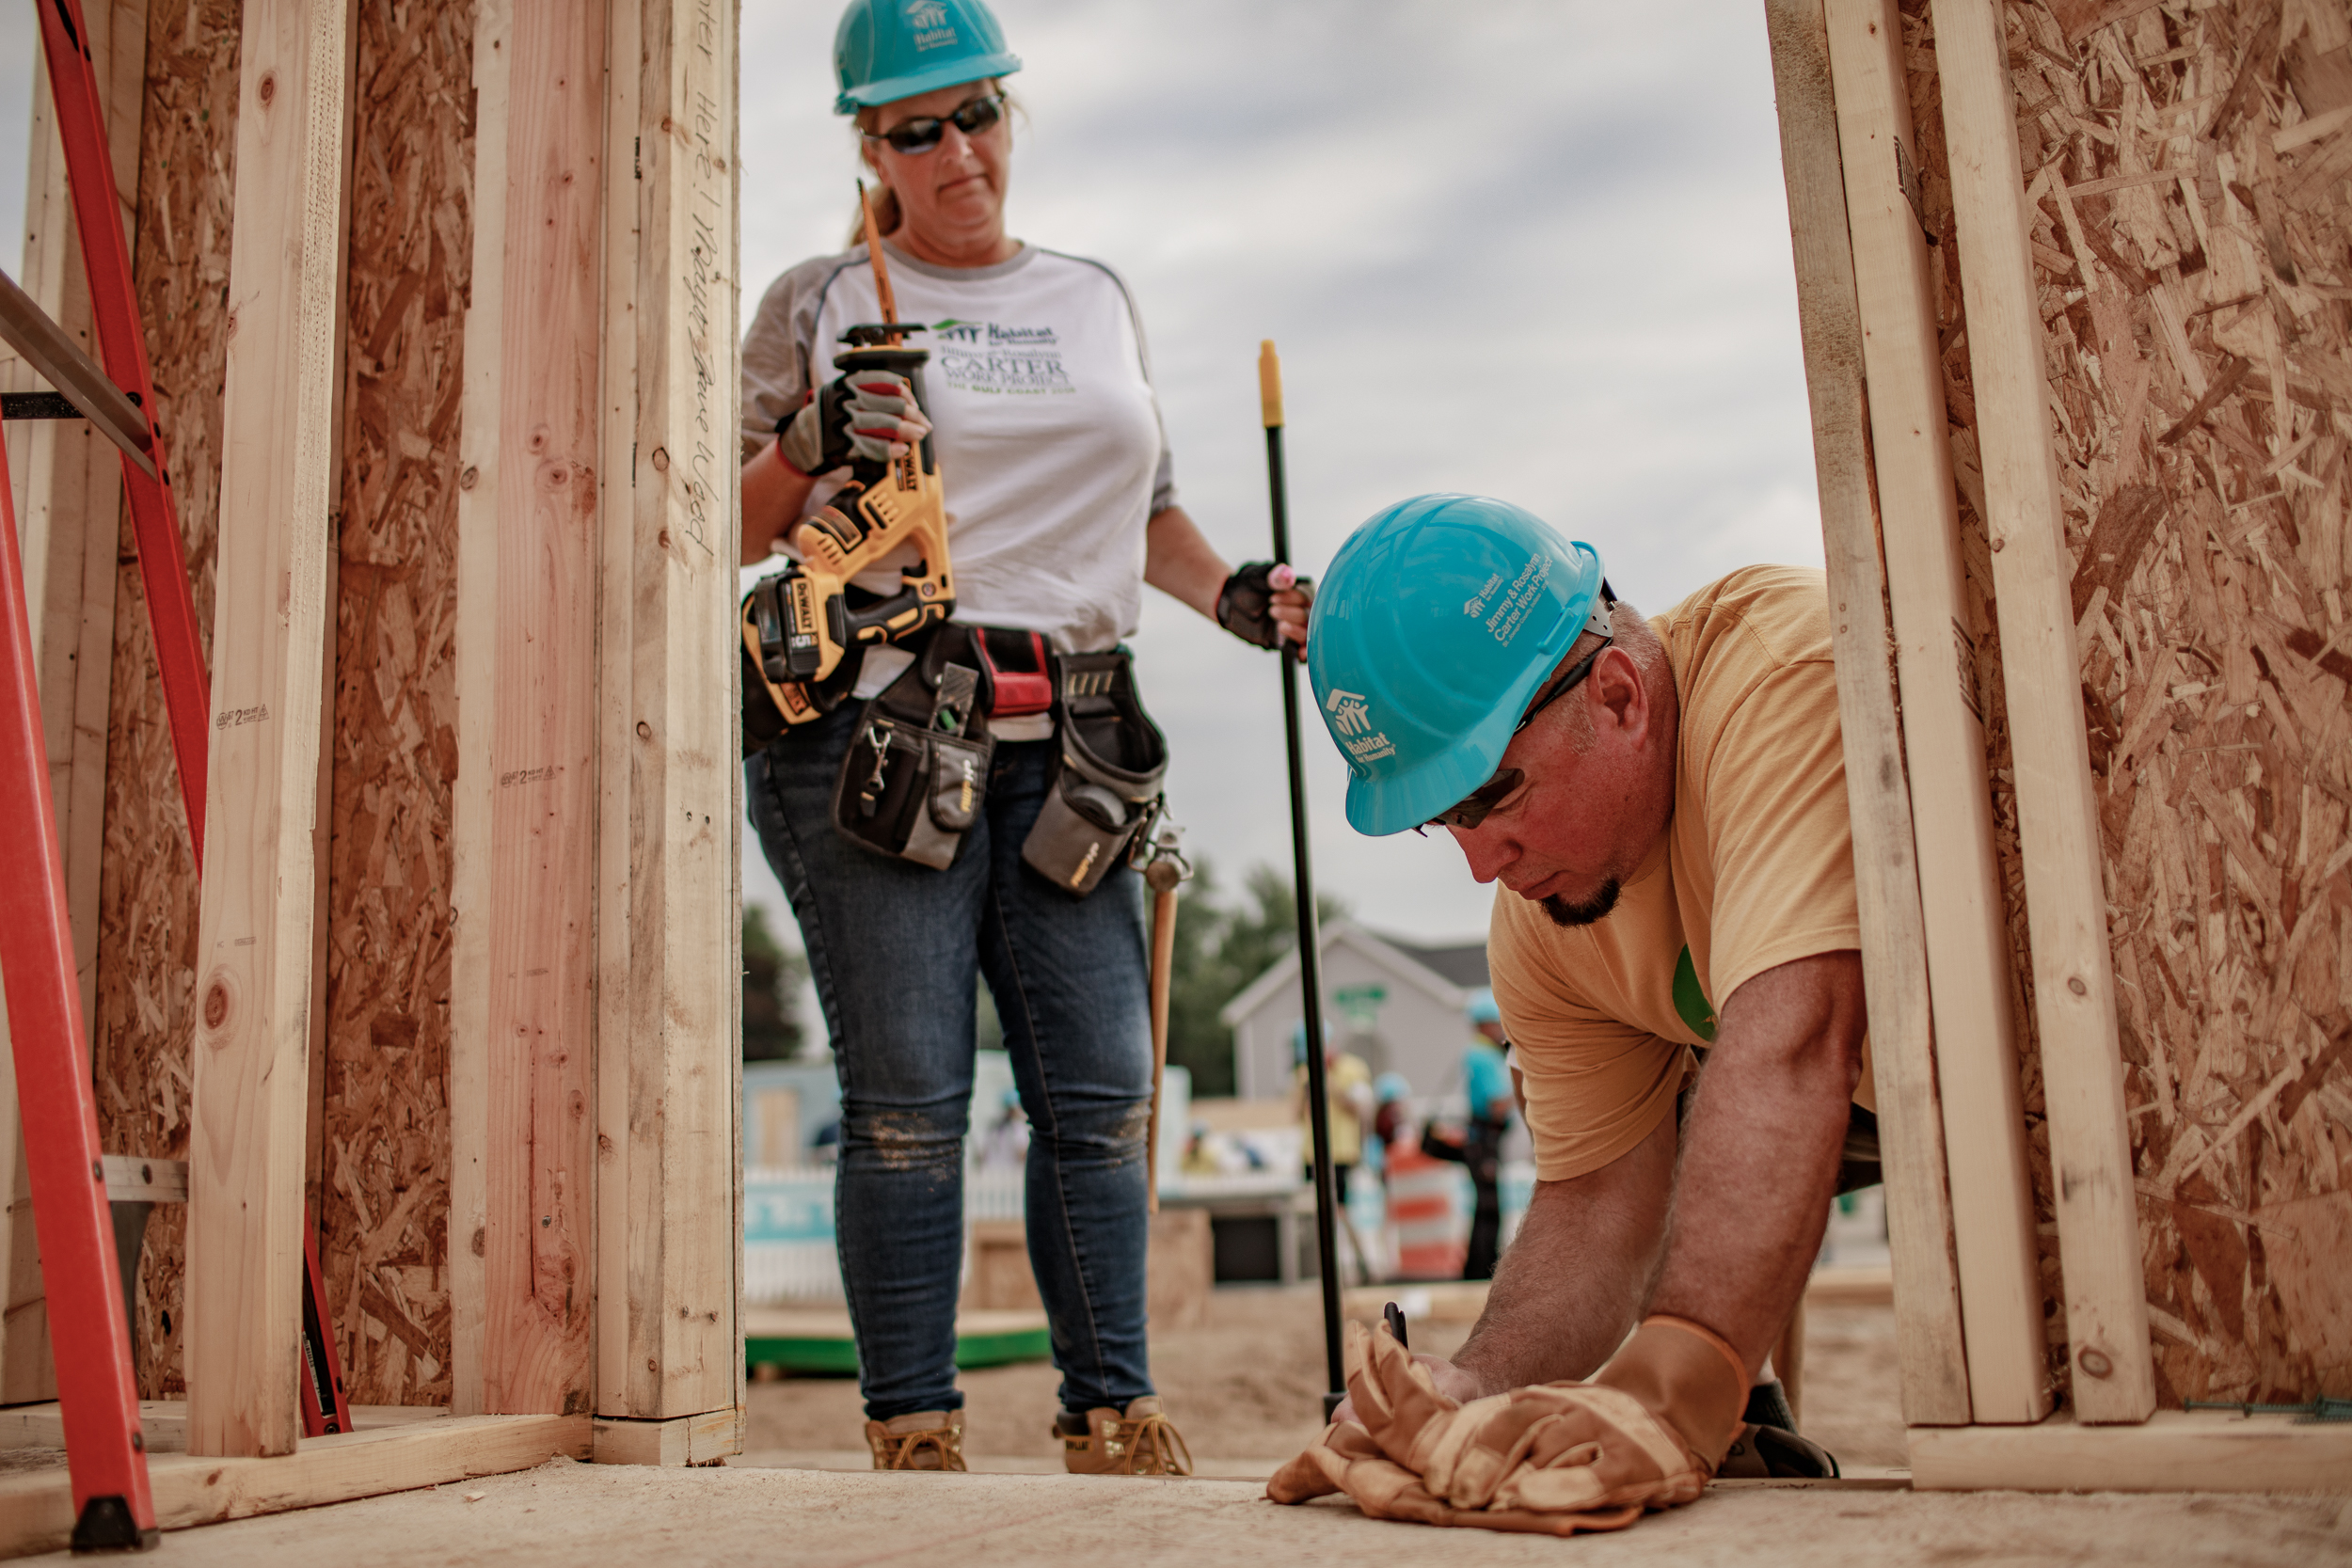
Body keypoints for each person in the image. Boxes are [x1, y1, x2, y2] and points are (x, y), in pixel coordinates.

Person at [738, 0, 1308, 1478]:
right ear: (870, 143)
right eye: (916, 128)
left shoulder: (1091, 295)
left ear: (1009, 113)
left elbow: (1148, 509)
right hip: (885, 723)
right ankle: (913, 1425)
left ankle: (1111, 1404)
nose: (956, 150)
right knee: (917, 1096)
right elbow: (712, 521)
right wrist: (810, 442)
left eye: (975, 112)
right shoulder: (820, 296)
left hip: (1076, 730)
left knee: (1104, 1090)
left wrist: (1238, 594)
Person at [1306, 493, 1860, 1491]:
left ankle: (1715, 1379)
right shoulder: (1541, 921)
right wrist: (1470, 1382)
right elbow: (1602, 1196)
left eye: (1490, 795)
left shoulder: (1779, 677)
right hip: (1838, 1082)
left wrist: (1668, 1387)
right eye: (1443, 821)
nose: (1481, 863)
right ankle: (1746, 1405)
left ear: (1616, 695)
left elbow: (1796, 1036)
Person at [1418, 990, 1515, 1280]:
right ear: (1485, 1024)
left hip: (1481, 1138)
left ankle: (1478, 1267)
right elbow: (1496, 1106)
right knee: (1489, 1207)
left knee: (1485, 1205)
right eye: (1497, 1022)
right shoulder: (1484, 1056)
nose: (1501, 1028)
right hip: (1484, 1140)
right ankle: (1481, 1269)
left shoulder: (1478, 1053)